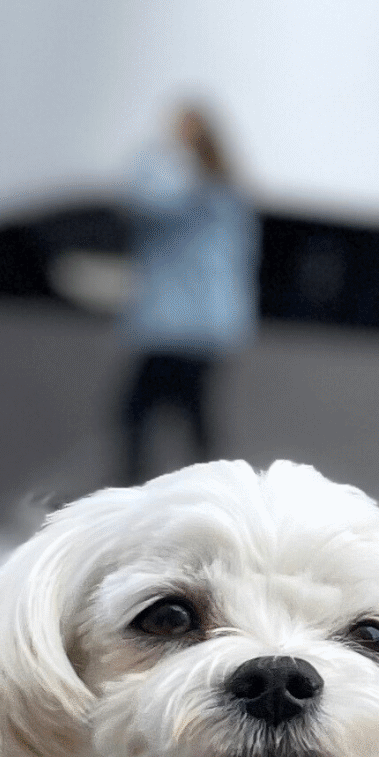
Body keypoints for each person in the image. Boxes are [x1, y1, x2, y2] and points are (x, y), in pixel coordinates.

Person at [117, 104, 256, 485]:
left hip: (178, 326)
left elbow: (146, 202)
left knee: (139, 413)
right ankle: (215, 491)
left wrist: (154, 155)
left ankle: (136, 494)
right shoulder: (227, 193)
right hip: (205, 326)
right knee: (191, 417)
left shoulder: (193, 194)